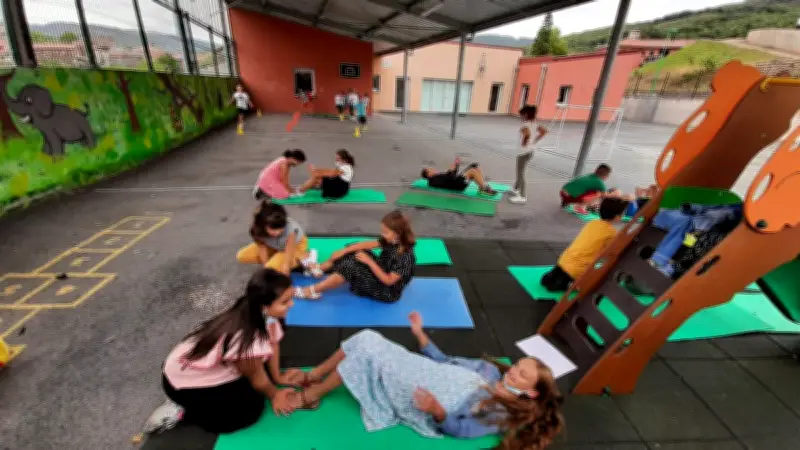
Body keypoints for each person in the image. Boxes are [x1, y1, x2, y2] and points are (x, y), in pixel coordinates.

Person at [283, 312, 564, 448]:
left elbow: (463, 430)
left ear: (533, 393)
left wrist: (437, 411)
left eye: (522, 374)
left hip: (424, 395)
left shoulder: (502, 411)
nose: (513, 371)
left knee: (365, 356)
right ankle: (314, 374)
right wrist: (420, 335)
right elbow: (445, 361)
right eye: (517, 365)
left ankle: (311, 396)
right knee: (367, 335)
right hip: (424, 369)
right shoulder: (489, 371)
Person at [158, 269, 310, 434]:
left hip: (207, 365)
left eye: (291, 298)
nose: (292, 304)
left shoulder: (259, 313)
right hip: (184, 383)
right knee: (249, 413)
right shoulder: (247, 340)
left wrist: (278, 377)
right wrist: (274, 394)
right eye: (285, 301)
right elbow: (258, 380)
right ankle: (184, 411)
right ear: (265, 305)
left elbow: (273, 344)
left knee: (259, 377)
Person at [295, 211, 415, 303]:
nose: (382, 234)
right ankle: (320, 268)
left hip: (386, 291)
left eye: (385, 232)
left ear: (397, 234)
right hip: (381, 270)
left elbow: (388, 281)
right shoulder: (392, 240)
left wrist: (369, 262)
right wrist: (344, 251)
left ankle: (312, 290)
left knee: (352, 265)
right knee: (354, 248)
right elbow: (367, 244)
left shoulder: (406, 257)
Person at [541, 197, 629, 292]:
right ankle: (573, 284)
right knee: (603, 276)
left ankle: (562, 281)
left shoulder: (592, 223)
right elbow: (613, 253)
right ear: (617, 216)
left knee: (551, 279)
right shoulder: (611, 233)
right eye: (623, 213)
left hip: (563, 261)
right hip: (579, 270)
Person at [236, 201, 315, 276]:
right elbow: (262, 248)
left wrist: (285, 266)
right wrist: (266, 267)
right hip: (276, 247)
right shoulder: (257, 229)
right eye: (273, 229)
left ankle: (303, 255)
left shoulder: (290, 229)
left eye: (280, 228)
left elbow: (289, 251)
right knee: (242, 256)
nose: (277, 232)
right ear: (263, 225)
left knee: (272, 268)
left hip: (294, 247)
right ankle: (278, 259)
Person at [510, 105, 548, 205]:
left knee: (520, 173)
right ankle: (515, 189)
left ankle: (522, 196)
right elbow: (544, 131)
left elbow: (526, 134)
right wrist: (536, 139)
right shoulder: (534, 123)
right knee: (521, 171)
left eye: (522, 114)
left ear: (526, 114)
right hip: (530, 151)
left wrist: (525, 141)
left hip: (523, 152)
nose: (521, 116)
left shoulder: (525, 125)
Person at [420, 157, 497, 195]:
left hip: (457, 181)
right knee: (472, 171)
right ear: (428, 175)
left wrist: (456, 165)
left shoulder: (435, 177)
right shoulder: (433, 181)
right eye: (430, 170)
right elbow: (449, 179)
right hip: (458, 185)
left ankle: (481, 187)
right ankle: (483, 188)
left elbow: (451, 176)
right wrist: (451, 170)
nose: (432, 169)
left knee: (475, 167)